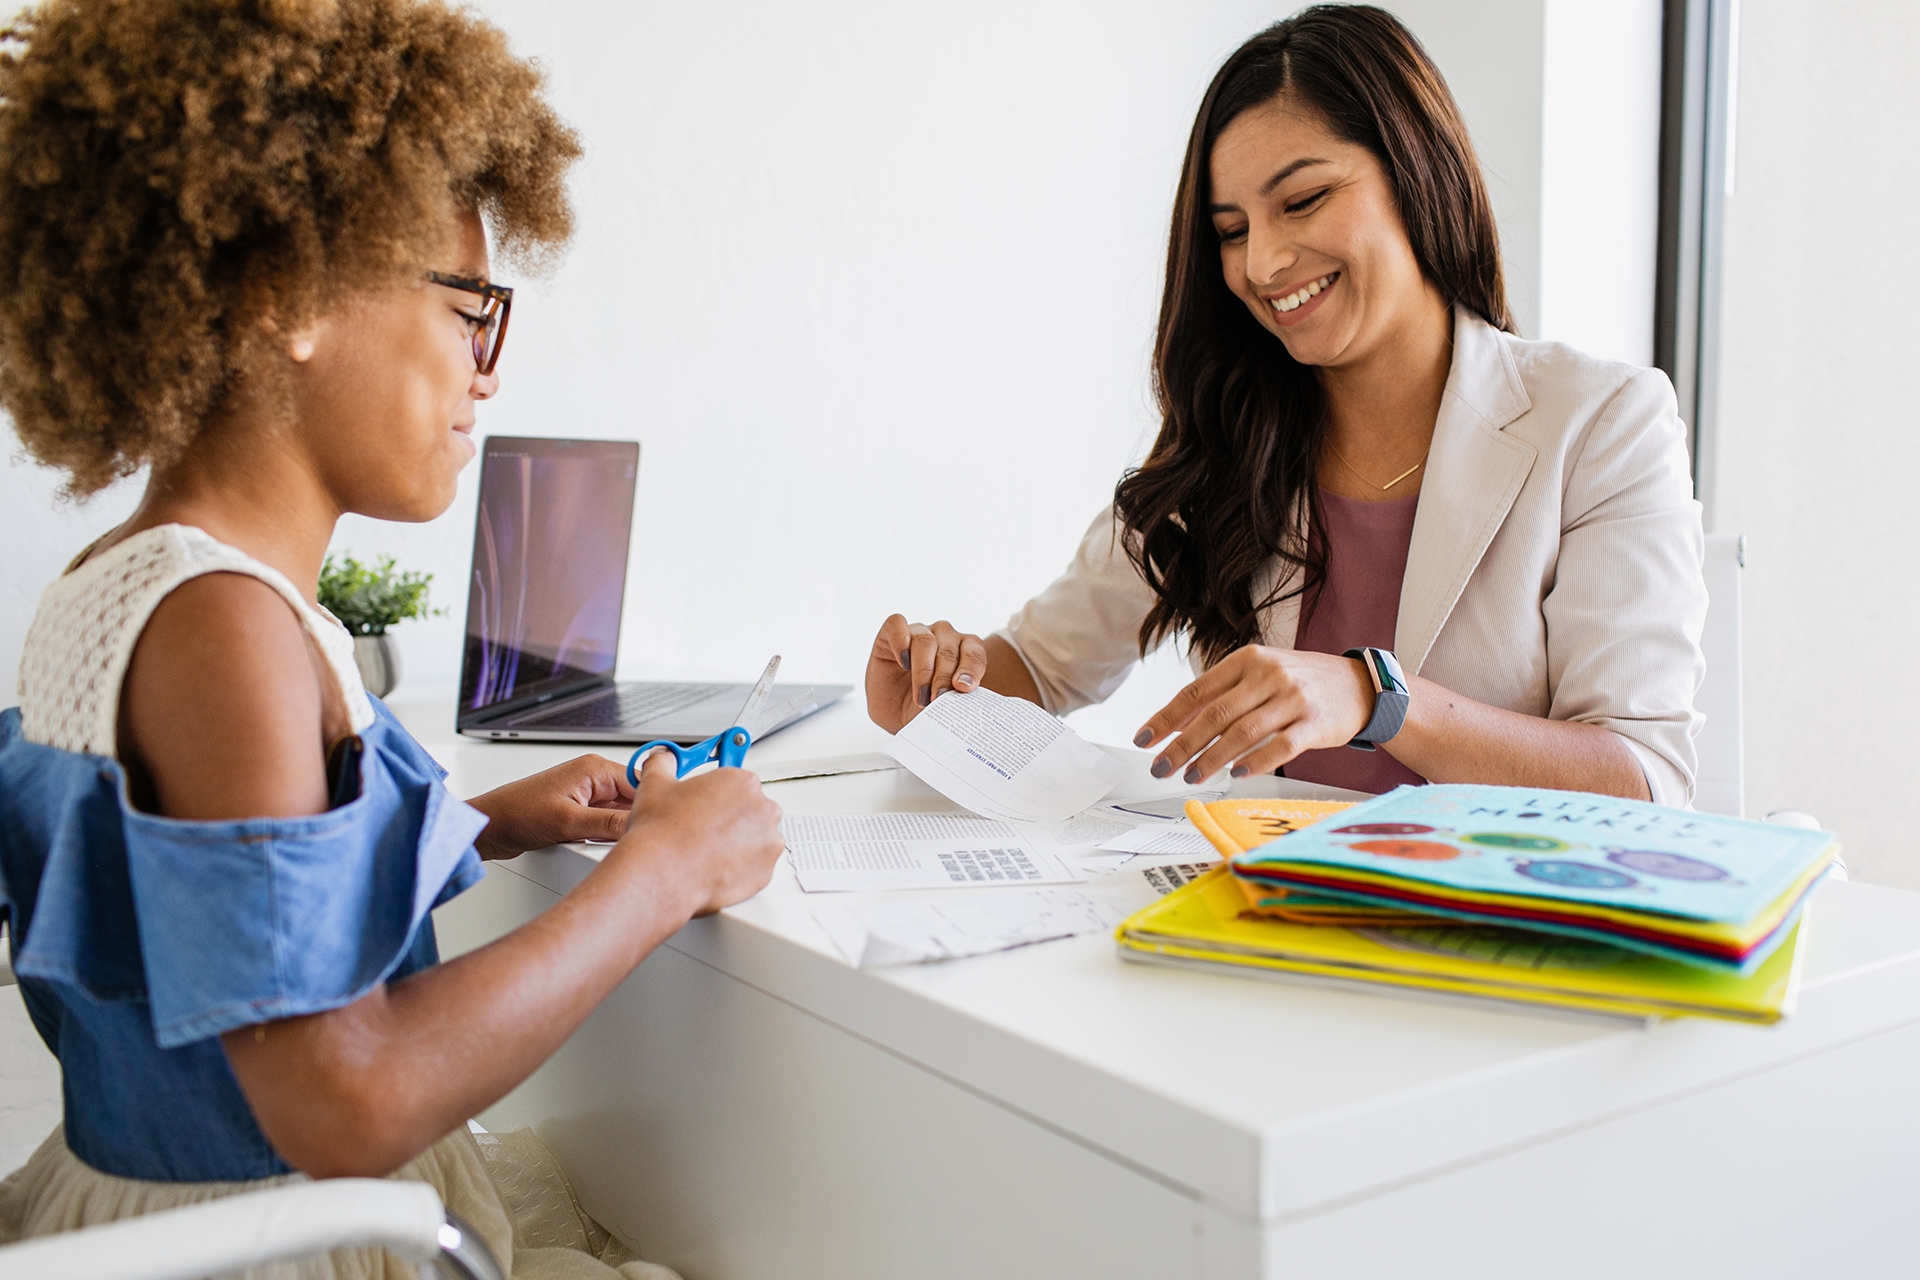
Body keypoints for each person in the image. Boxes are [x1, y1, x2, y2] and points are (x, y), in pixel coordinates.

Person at [0, 1, 783, 1275]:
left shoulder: (127, 582)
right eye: (470, 303)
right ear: (287, 295)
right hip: (285, 1232)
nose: (487, 365)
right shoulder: (225, 626)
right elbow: (343, 1095)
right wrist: (666, 875)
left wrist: (493, 822)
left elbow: (199, 919)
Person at [867, 5, 1706, 806]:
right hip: (1265, 918)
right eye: (1231, 230)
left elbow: (1644, 782)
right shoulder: (1230, 436)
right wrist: (941, 692)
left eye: (1302, 200)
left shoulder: (1601, 421)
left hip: (1487, 931)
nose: (1264, 262)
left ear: (1416, 172)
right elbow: (1042, 669)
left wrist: (1374, 696)